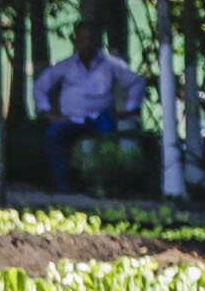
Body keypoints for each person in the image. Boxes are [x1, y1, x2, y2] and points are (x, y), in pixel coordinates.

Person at [32, 24, 144, 187]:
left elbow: (137, 82)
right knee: (54, 135)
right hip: (71, 119)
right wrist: (46, 111)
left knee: (107, 139)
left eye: (91, 39)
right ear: (76, 41)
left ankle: (103, 185)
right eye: (83, 39)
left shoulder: (111, 64)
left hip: (100, 116)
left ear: (98, 41)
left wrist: (129, 110)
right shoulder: (66, 65)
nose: (87, 43)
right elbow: (41, 86)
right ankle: (62, 187)